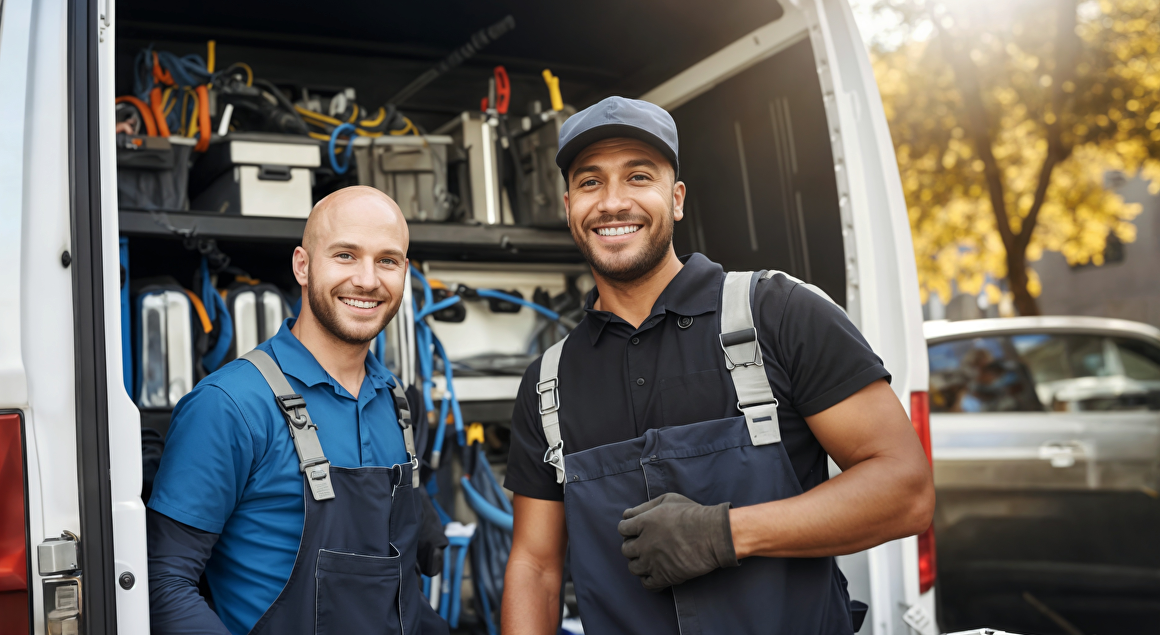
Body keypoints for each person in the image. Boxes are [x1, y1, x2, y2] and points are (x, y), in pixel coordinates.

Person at [501, 97, 936, 634]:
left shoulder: (779, 313)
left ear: (676, 199)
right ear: (569, 205)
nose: (613, 202)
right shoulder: (550, 383)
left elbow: (905, 491)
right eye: (591, 183)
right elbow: (536, 566)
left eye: (639, 177)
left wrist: (726, 532)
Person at [147, 186, 447, 635]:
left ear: (404, 270)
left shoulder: (396, 402)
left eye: (387, 260)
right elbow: (163, 583)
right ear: (302, 266)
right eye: (345, 255)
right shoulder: (230, 405)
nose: (367, 280)